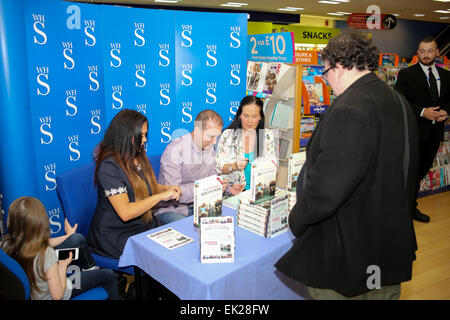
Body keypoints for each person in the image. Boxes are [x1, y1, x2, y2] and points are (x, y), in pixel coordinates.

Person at [275, 31, 419, 300]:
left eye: (326, 72)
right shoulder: (398, 101)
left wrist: (296, 220)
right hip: (387, 248)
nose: (326, 80)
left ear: (339, 66)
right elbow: (409, 171)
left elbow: (327, 190)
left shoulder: (349, 108)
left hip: (346, 255)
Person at [87, 109, 181, 259]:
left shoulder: (138, 154)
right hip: (116, 234)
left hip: (142, 225)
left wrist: (167, 189)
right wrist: (160, 196)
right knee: (163, 256)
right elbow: (125, 213)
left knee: (180, 243)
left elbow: (149, 187)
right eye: (141, 135)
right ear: (126, 135)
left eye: (145, 135)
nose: (144, 140)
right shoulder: (109, 167)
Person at [2, 197, 119, 300]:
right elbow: (57, 295)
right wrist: (62, 268)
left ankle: (90, 270)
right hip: (60, 289)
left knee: (77, 239)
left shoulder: (6, 244)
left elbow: (42, 242)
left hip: (36, 289)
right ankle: (94, 275)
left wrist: (68, 236)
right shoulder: (46, 254)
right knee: (108, 275)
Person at [394, 36, 450, 223]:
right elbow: (399, 102)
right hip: (414, 133)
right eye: (422, 51)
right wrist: (422, 111)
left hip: (434, 134)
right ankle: (407, 210)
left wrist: (446, 112)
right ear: (417, 53)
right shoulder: (407, 74)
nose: (426, 55)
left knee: (421, 172)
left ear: (437, 53)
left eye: (430, 51)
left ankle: (408, 207)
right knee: (411, 173)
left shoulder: (446, 75)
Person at [155, 109, 242, 225]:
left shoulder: (209, 146)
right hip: (173, 209)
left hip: (201, 205)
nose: (214, 142)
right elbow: (173, 193)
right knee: (189, 233)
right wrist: (205, 188)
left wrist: (227, 188)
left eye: (216, 137)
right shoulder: (175, 150)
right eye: (211, 136)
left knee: (229, 222)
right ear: (197, 131)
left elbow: (212, 178)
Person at [215, 95, 277, 191]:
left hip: (259, 191)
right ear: (239, 115)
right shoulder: (228, 135)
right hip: (233, 192)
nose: (249, 121)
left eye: (254, 116)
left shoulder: (266, 135)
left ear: (260, 117)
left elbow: (273, 165)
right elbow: (218, 168)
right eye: (246, 116)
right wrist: (234, 166)